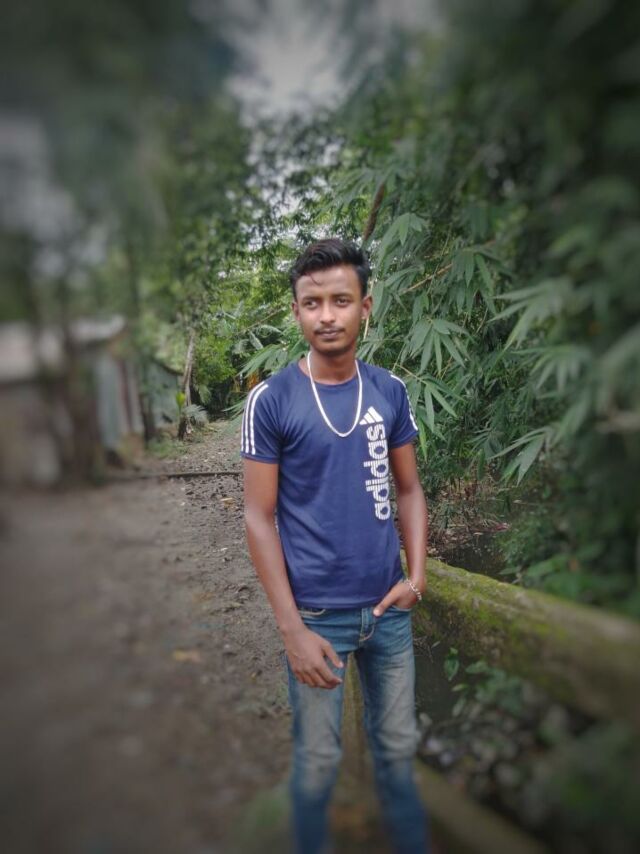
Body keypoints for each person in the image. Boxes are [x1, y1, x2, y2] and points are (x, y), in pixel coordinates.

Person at [241, 238, 430, 853]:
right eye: (312, 302)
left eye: (341, 301)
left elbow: (410, 490)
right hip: (317, 618)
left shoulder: (389, 390)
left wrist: (417, 577)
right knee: (319, 762)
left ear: (364, 307)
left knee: (398, 752)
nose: (327, 315)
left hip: (388, 613)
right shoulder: (272, 400)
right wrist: (291, 629)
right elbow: (258, 517)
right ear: (296, 311)